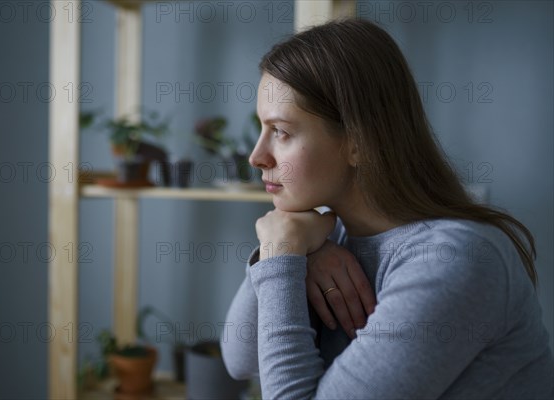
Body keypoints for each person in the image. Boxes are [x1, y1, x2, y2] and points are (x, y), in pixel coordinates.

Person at [220, 18, 553, 399]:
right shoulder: (331, 234)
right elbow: (240, 358)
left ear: (358, 141)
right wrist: (292, 248)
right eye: (262, 129)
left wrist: (280, 252)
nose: (256, 156)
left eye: (281, 132)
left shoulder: (453, 259)